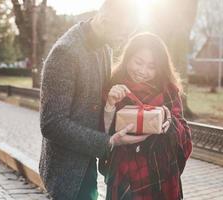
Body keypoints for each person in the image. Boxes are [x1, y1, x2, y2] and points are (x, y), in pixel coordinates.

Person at [39, 0, 149, 199]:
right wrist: (106, 141)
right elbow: (51, 124)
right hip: (67, 169)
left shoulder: (106, 47)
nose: (125, 39)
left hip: (90, 160)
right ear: (106, 20)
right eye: (123, 32)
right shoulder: (64, 52)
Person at [101, 33, 193, 200]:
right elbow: (100, 133)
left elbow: (185, 135)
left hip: (162, 176)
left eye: (152, 66)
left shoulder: (168, 91)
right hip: (124, 174)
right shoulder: (113, 86)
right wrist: (110, 105)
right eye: (138, 62)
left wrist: (167, 118)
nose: (143, 71)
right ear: (128, 58)